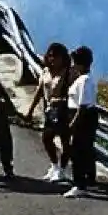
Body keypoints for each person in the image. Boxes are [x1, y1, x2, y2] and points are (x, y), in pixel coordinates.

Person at [30, 42, 74, 181]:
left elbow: (74, 94)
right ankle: (55, 165)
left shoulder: (69, 73)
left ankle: (62, 169)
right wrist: (30, 110)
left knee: (65, 141)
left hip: (64, 112)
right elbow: (39, 91)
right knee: (47, 139)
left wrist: (61, 100)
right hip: (50, 112)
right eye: (50, 56)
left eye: (56, 56)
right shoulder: (45, 71)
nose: (52, 59)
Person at [62, 45, 99, 199]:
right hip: (86, 117)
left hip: (82, 117)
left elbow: (82, 105)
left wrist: (73, 124)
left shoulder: (84, 80)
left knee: (77, 150)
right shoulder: (86, 79)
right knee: (86, 149)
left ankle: (79, 184)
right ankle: (88, 180)